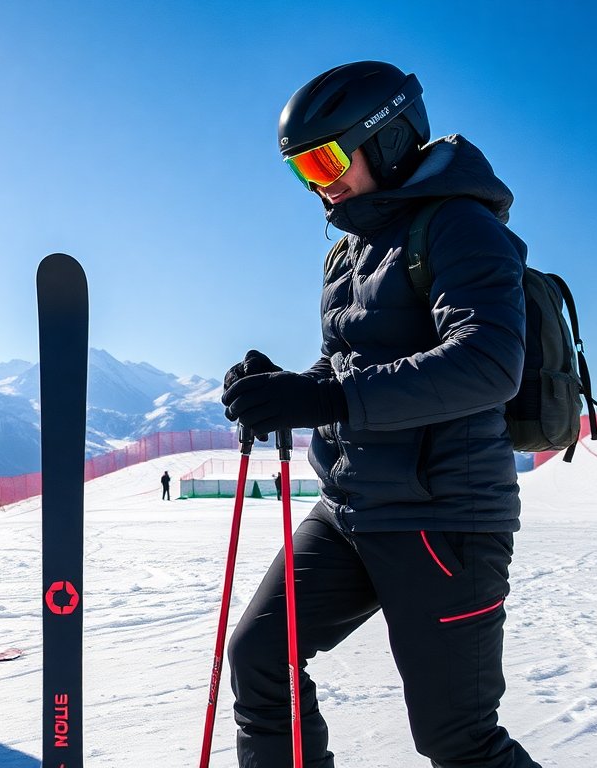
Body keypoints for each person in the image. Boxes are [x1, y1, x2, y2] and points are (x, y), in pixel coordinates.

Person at [220, 61, 540, 767]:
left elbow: (489, 360)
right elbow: (343, 367)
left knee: (459, 739)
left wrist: (327, 400)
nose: (318, 184)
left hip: (443, 517)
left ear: (388, 139)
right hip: (350, 508)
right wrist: (283, 387)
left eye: (326, 160)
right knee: (260, 658)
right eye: (301, 169)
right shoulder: (349, 251)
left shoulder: (459, 226)